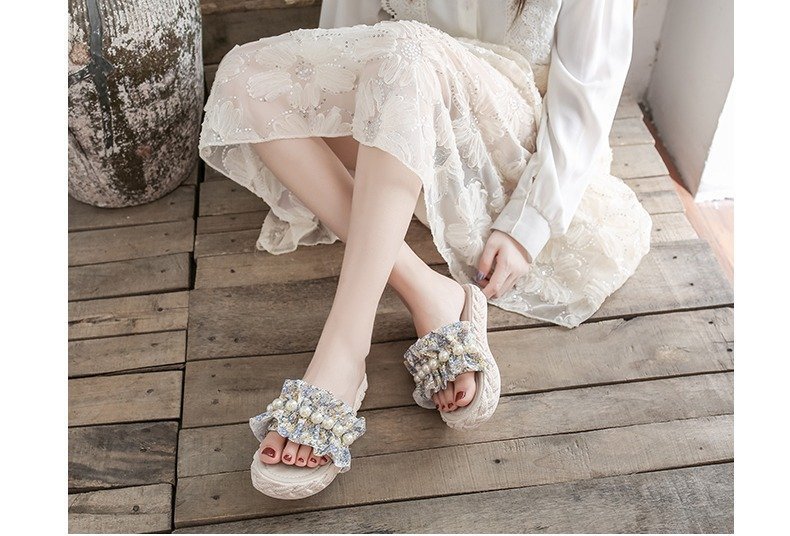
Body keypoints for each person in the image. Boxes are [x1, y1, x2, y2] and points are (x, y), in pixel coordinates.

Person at [198, 0, 652, 499]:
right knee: (245, 76)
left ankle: (344, 350)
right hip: (401, 131)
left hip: (509, 148)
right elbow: (341, 42)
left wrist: (530, 222)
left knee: (406, 49)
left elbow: (588, 95)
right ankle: (427, 290)